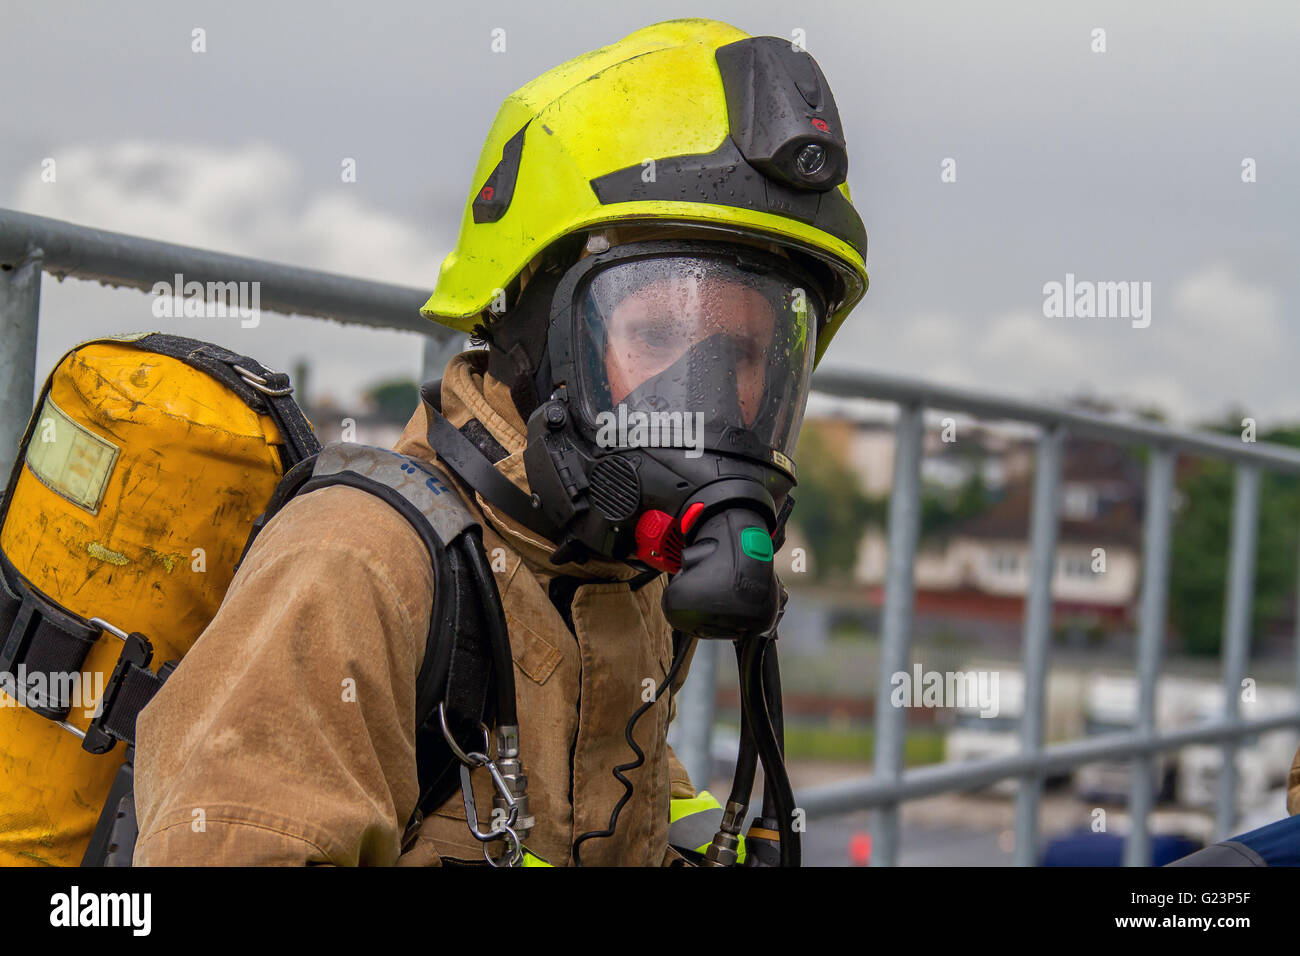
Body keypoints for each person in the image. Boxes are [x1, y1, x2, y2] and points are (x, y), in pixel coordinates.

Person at [133, 17, 868, 866]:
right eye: (662, 333)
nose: (708, 401)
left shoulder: (618, 571)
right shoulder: (355, 570)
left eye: (742, 354)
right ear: (533, 333)